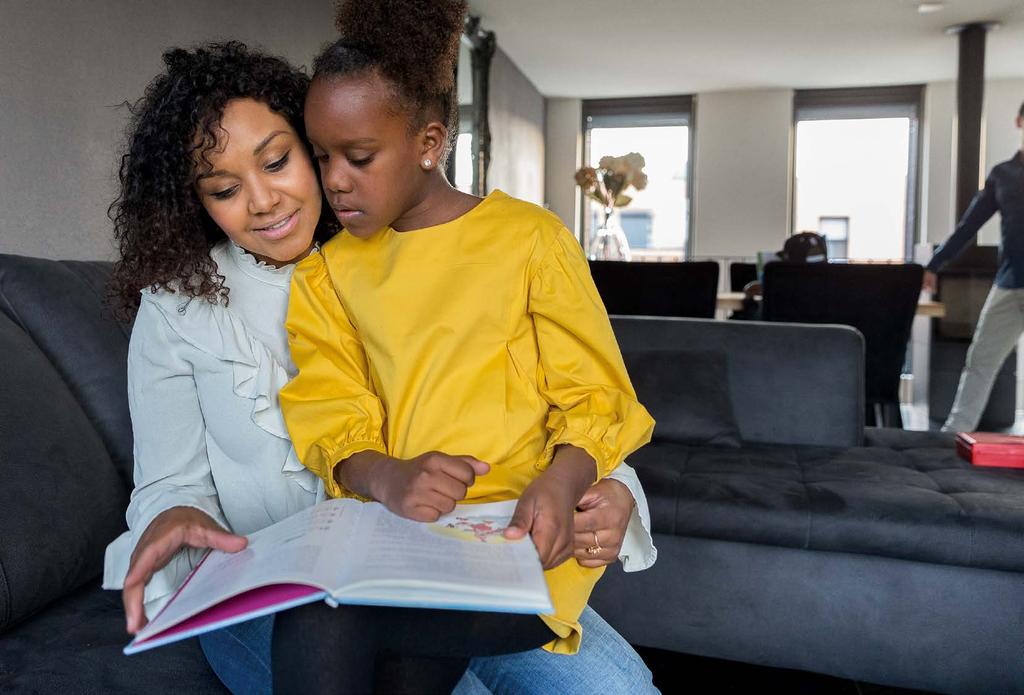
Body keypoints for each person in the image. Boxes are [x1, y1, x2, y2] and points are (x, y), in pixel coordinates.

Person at [102, 42, 657, 694]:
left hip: (456, 561)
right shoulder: (176, 311)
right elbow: (169, 486)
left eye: (279, 161)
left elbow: (559, 394)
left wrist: (614, 489)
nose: (261, 201)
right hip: (272, 592)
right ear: (195, 200)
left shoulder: (423, 243)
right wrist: (171, 515)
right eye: (224, 189)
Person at [277, 0, 655, 691]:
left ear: (428, 142)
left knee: (320, 622)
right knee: (383, 655)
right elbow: (331, 414)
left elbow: (596, 396)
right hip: (399, 546)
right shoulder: (325, 274)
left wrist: (563, 478)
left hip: (523, 549)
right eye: (323, 156)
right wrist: (386, 475)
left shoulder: (530, 240)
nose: (333, 180)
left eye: (359, 157)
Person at [923, 100, 1024, 433]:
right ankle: (952, 438)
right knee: (980, 360)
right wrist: (934, 264)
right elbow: (968, 226)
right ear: (1019, 121)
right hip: (1009, 284)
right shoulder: (1003, 175)